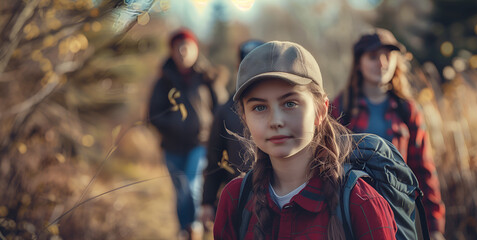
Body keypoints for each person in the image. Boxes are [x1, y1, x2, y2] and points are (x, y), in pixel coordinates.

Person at [213, 41, 397, 239]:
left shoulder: (360, 202)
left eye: (290, 103)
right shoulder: (235, 199)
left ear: (321, 110)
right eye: (259, 107)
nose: (275, 121)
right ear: (244, 118)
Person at [331, 28, 446, 239]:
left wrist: (435, 226)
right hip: (355, 211)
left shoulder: (407, 110)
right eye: (373, 56)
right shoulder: (341, 107)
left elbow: (423, 168)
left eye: (388, 55)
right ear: (359, 63)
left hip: (399, 211)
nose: (382, 63)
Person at [148, 28, 227, 239]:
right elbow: (152, 114)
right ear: (172, 51)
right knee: (181, 190)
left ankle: (195, 226)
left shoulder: (207, 78)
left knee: (192, 184)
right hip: (172, 147)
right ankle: (185, 230)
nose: (183, 51)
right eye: (178, 47)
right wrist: (174, 124)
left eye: (187, 47)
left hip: (200, 144)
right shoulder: (163, 81)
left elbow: (222, 108)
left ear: (195, 50)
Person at [200, 40, 265, 228]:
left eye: (260, 63)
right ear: (239, 68)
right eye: (248, 64)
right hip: (241, 201)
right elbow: (214, 158)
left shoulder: (285, 108)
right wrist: (207, 201)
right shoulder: (225, 110)